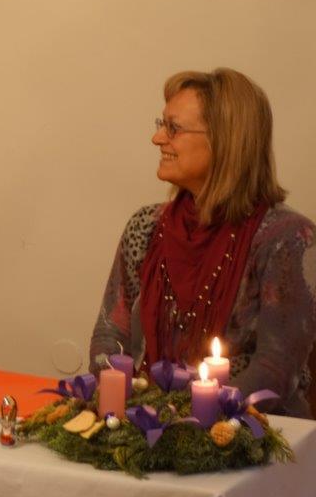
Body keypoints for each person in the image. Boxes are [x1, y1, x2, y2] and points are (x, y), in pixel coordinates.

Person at [90, 68, 316, 416]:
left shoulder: (287, 238)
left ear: (225, 141)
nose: (157, 138)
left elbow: (275, 371)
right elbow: (109, 335)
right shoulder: (145, 226)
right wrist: (125, 407)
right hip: (146, 425)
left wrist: (186, 421)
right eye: (161, 124)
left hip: (255, 433)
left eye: (173, 128)